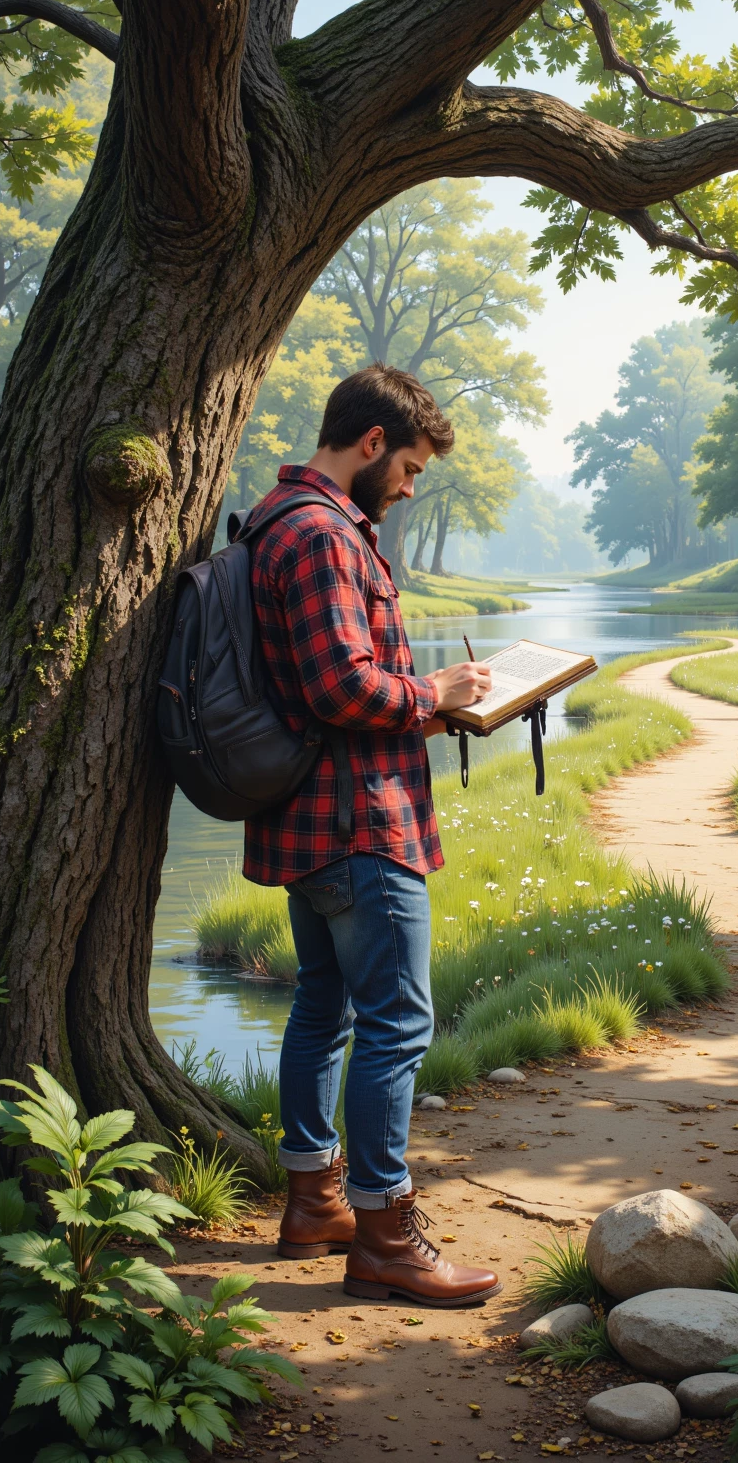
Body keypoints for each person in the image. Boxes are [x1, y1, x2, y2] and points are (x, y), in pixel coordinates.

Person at [243, 362, 500, 1307]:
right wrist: (436, 691)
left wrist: (436, 709)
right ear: (371, 442)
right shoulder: (321, 535)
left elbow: (322, 695)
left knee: (323, 1006)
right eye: (410, 468)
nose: (411, 486)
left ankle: (316, 1201)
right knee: (397, 1024)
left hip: (307, 821)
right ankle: (387, 1237)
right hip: (359, 824)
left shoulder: (278, 518)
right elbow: (340, 688)